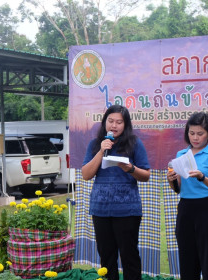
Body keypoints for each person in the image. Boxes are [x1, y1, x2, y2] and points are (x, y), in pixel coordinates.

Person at [82, 104, 151, 280]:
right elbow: (86, 175)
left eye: (119, 122)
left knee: (129, 257)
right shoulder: (95, 144)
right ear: (104, 122)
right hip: (101, 209)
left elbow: (145, 175)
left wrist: (130, 168)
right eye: (110, 121)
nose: (114, 125)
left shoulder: (134, 143)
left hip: (127, 210)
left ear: (125, 124)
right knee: (107, 257)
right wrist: (101, 151)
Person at [167, 112, 208, 280]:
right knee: (187, 257)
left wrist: (202, 177)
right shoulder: (181, 155)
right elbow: (177, 189)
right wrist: (171, 180)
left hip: (207, 209)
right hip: (186, 208)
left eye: (200, 134)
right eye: (191, 133)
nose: (195, 137)